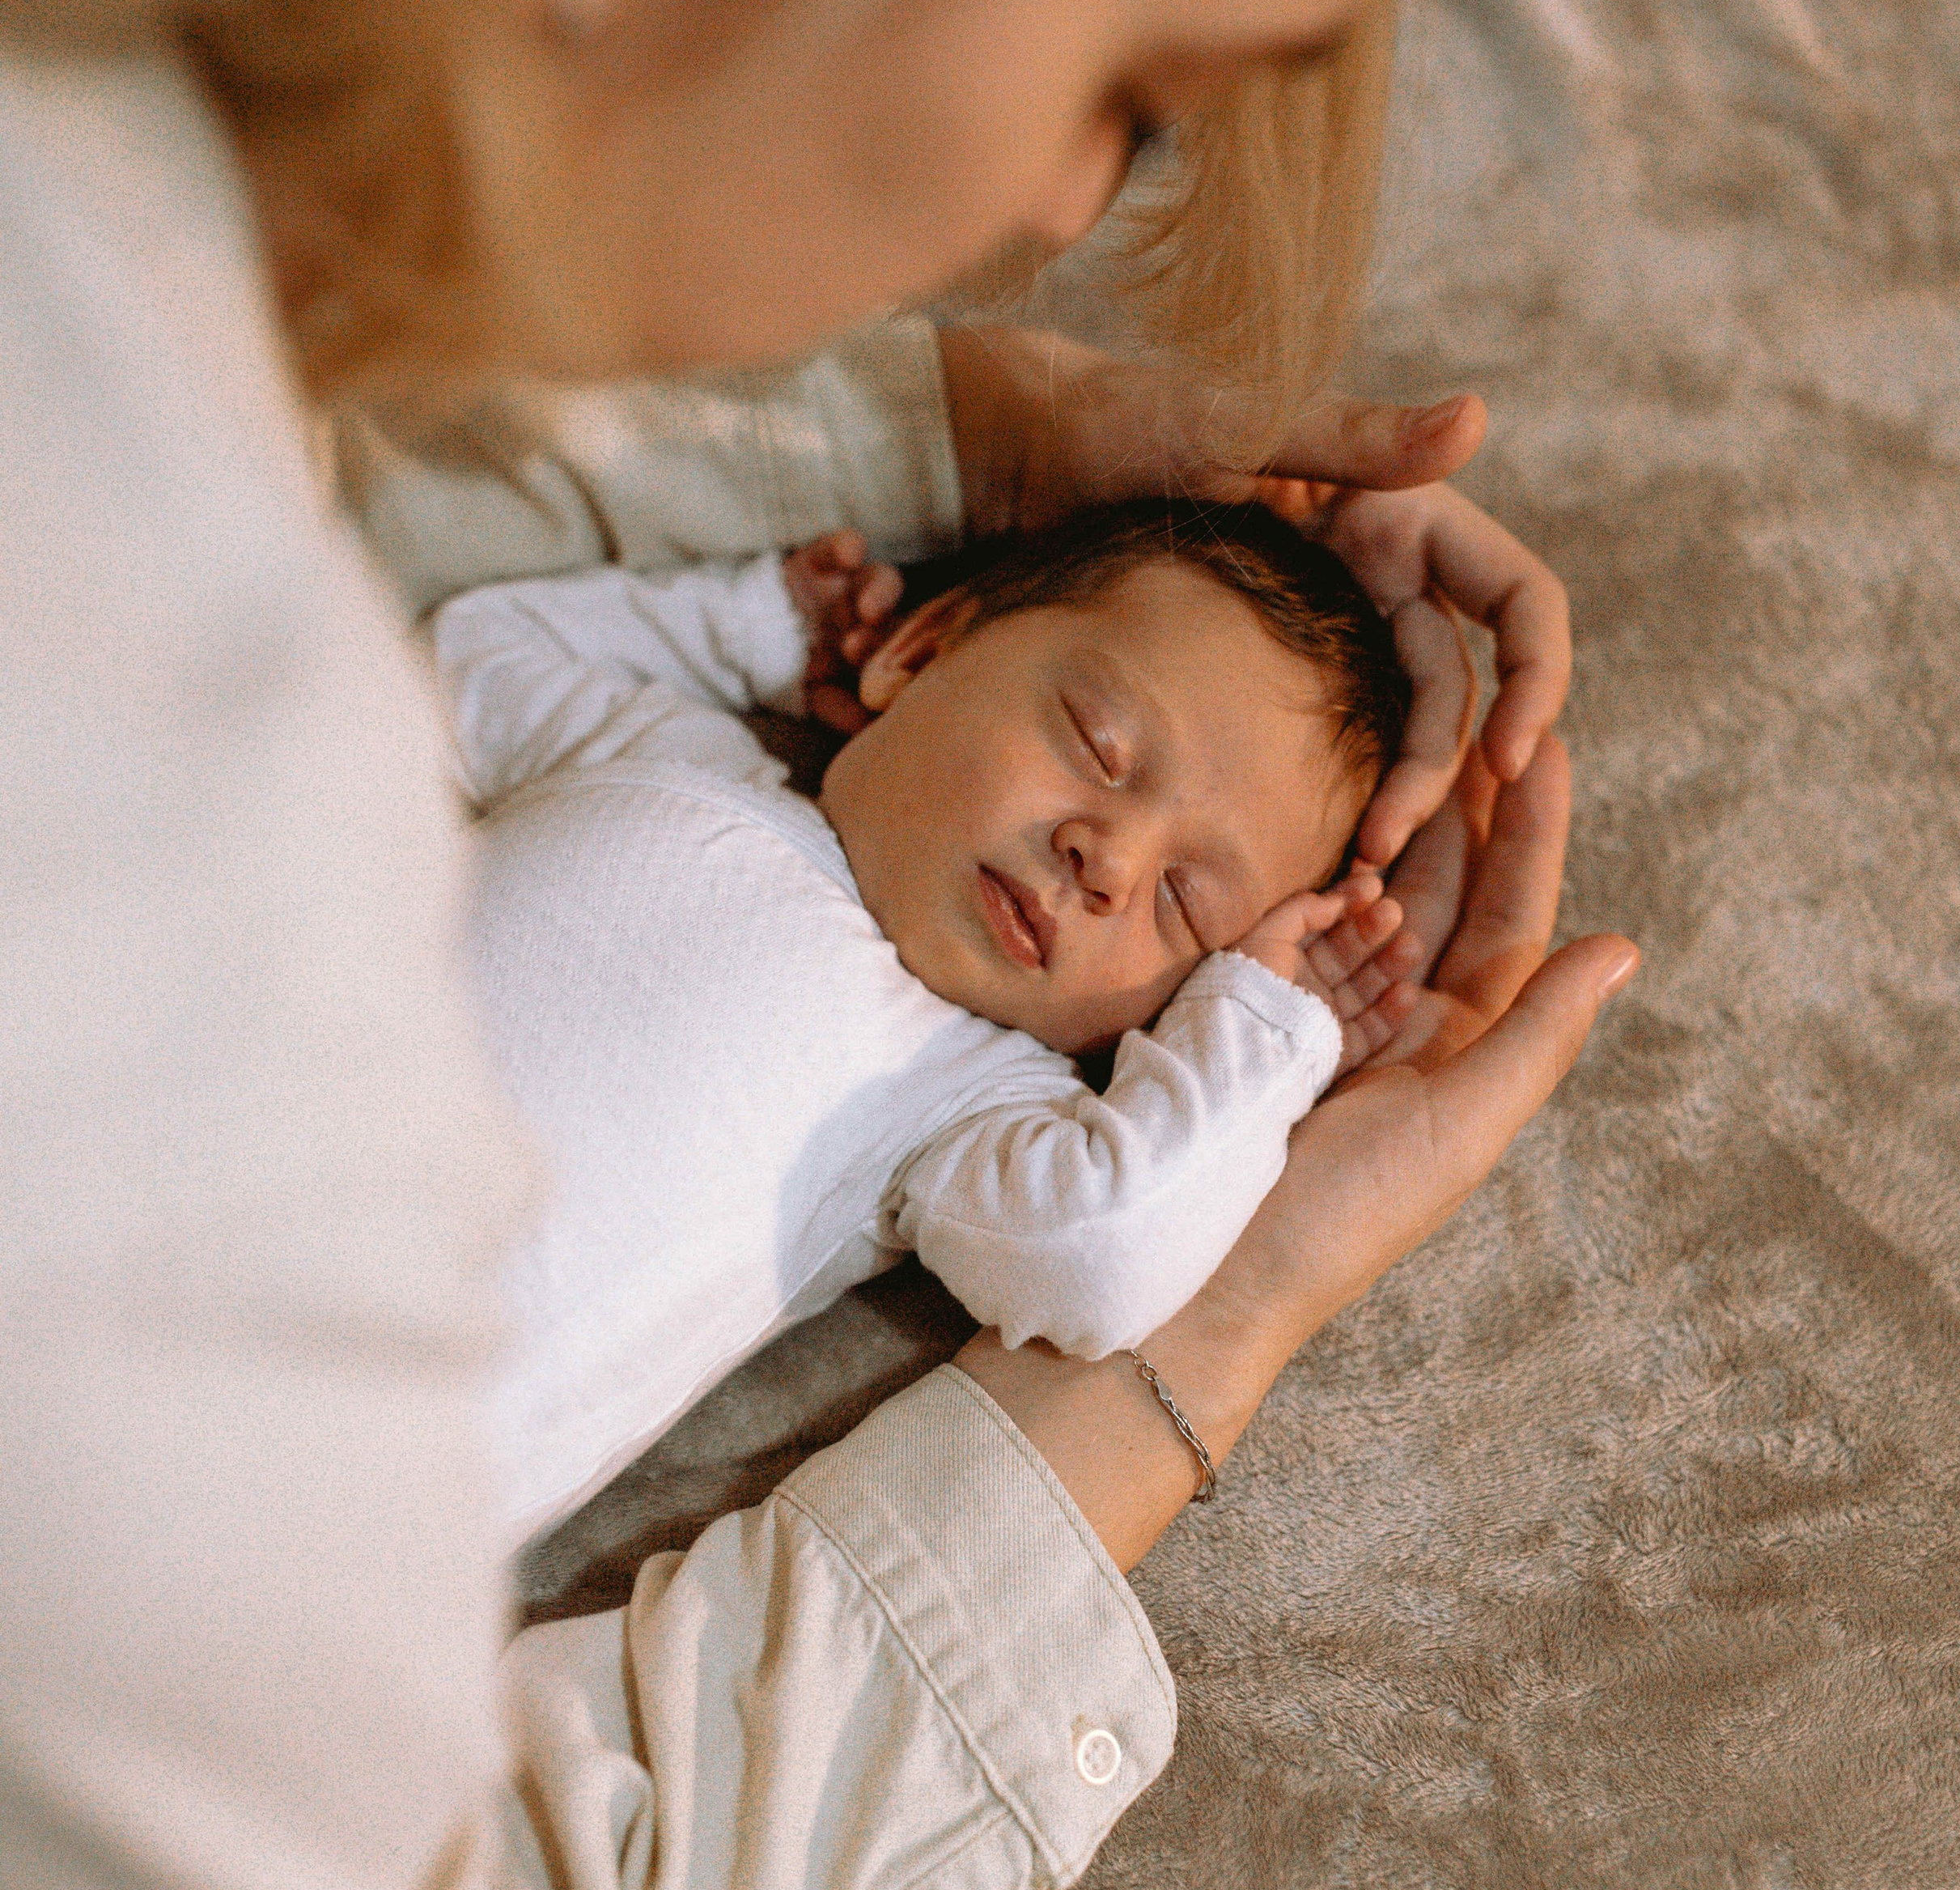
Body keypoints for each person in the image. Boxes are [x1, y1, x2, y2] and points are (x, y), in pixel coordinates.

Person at [0, 0, 1662, 1890]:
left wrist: (1000, 480)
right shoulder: (208, 1043)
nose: (1053, 216)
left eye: (1186, 885)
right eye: (1128, 94)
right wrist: (1215, 1346)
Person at [425, 498, 1417, 1544]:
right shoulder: (669, 755)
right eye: (1097, 746)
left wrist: (1259, 1029)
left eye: (1188, 903)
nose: (1111, 860)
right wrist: (756, 628)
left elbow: (1102, 1257)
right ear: (919, 648)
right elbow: (467, 658)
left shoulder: (964, 1088)